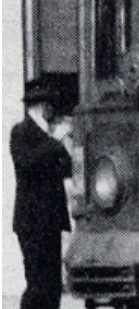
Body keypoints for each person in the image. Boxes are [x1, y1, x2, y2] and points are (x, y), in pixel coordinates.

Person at [11, 79, 73, 309]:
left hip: (50, 221)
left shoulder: (50, 136)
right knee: (38, 284)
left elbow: (67, 167)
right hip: (32, 222)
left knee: (53, 285)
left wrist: (63, 143)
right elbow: (26, 162)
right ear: (41, 106)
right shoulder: (20, 131)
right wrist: (55, 140)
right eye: (50, 105)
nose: (53, 110)